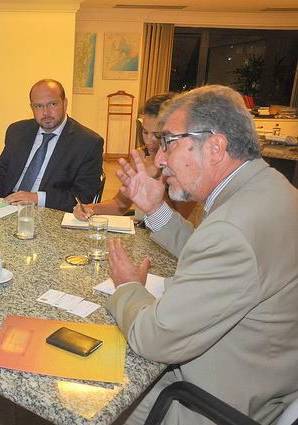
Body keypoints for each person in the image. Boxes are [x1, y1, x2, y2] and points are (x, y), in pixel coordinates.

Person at [105, 85, 298, 424]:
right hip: (268, 375)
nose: (159, 159)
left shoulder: (232, 229)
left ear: (215, 147)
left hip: (214, 399)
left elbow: (154, 338)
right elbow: (215, 252)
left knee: (100, 394)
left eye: (169, 142)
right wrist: (156, 209)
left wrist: (128, 288)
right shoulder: (270, 187)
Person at [0, 79, 103, 212]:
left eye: (52, 104)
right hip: (6, 205)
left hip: (48, 211)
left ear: (65, 104)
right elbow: (0, 169)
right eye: (38, 106)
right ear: (31, 107)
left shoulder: (88, 142)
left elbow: (82, 197)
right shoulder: (17, 131)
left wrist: (37, 198)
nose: (46, 112)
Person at [72, 92, 196, 221]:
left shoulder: (189, 164)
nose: (148, 141)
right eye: (145, 132)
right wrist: (90, 208)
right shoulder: (141, 156)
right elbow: (120, 204)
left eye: (157, 136)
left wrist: (154, 178)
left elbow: (178, 222)